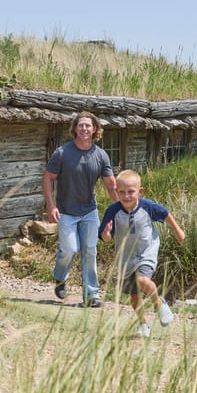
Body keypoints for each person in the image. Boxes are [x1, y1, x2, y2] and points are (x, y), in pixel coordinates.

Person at [43, 111, 118, 307]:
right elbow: (48, 178)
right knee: (69, 249)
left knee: (90, 250)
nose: (84, 128)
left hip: (89, 211)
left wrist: (119, 211)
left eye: (88, 125)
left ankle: (91, 295)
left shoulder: (100, 155)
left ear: (95, 129)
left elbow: (111, 185)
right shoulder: (62, 153)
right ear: (75, 129)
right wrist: (51, 206)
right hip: (66, 211)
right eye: (81, 125)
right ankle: (60, 277)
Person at [99, 169, 186, 338]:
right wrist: (107, 234)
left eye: (131, 192)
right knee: (133, 297)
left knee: (143, 280)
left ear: (140, 191)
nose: (126, 196)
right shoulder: (113, 211)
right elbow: (106, 237)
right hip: (125, 259)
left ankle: (159, 304)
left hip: (147, 251)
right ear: (116, 192)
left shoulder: (147, 207)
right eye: (122, 192)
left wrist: (178, 231)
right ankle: (143, 325)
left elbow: (165, 214)